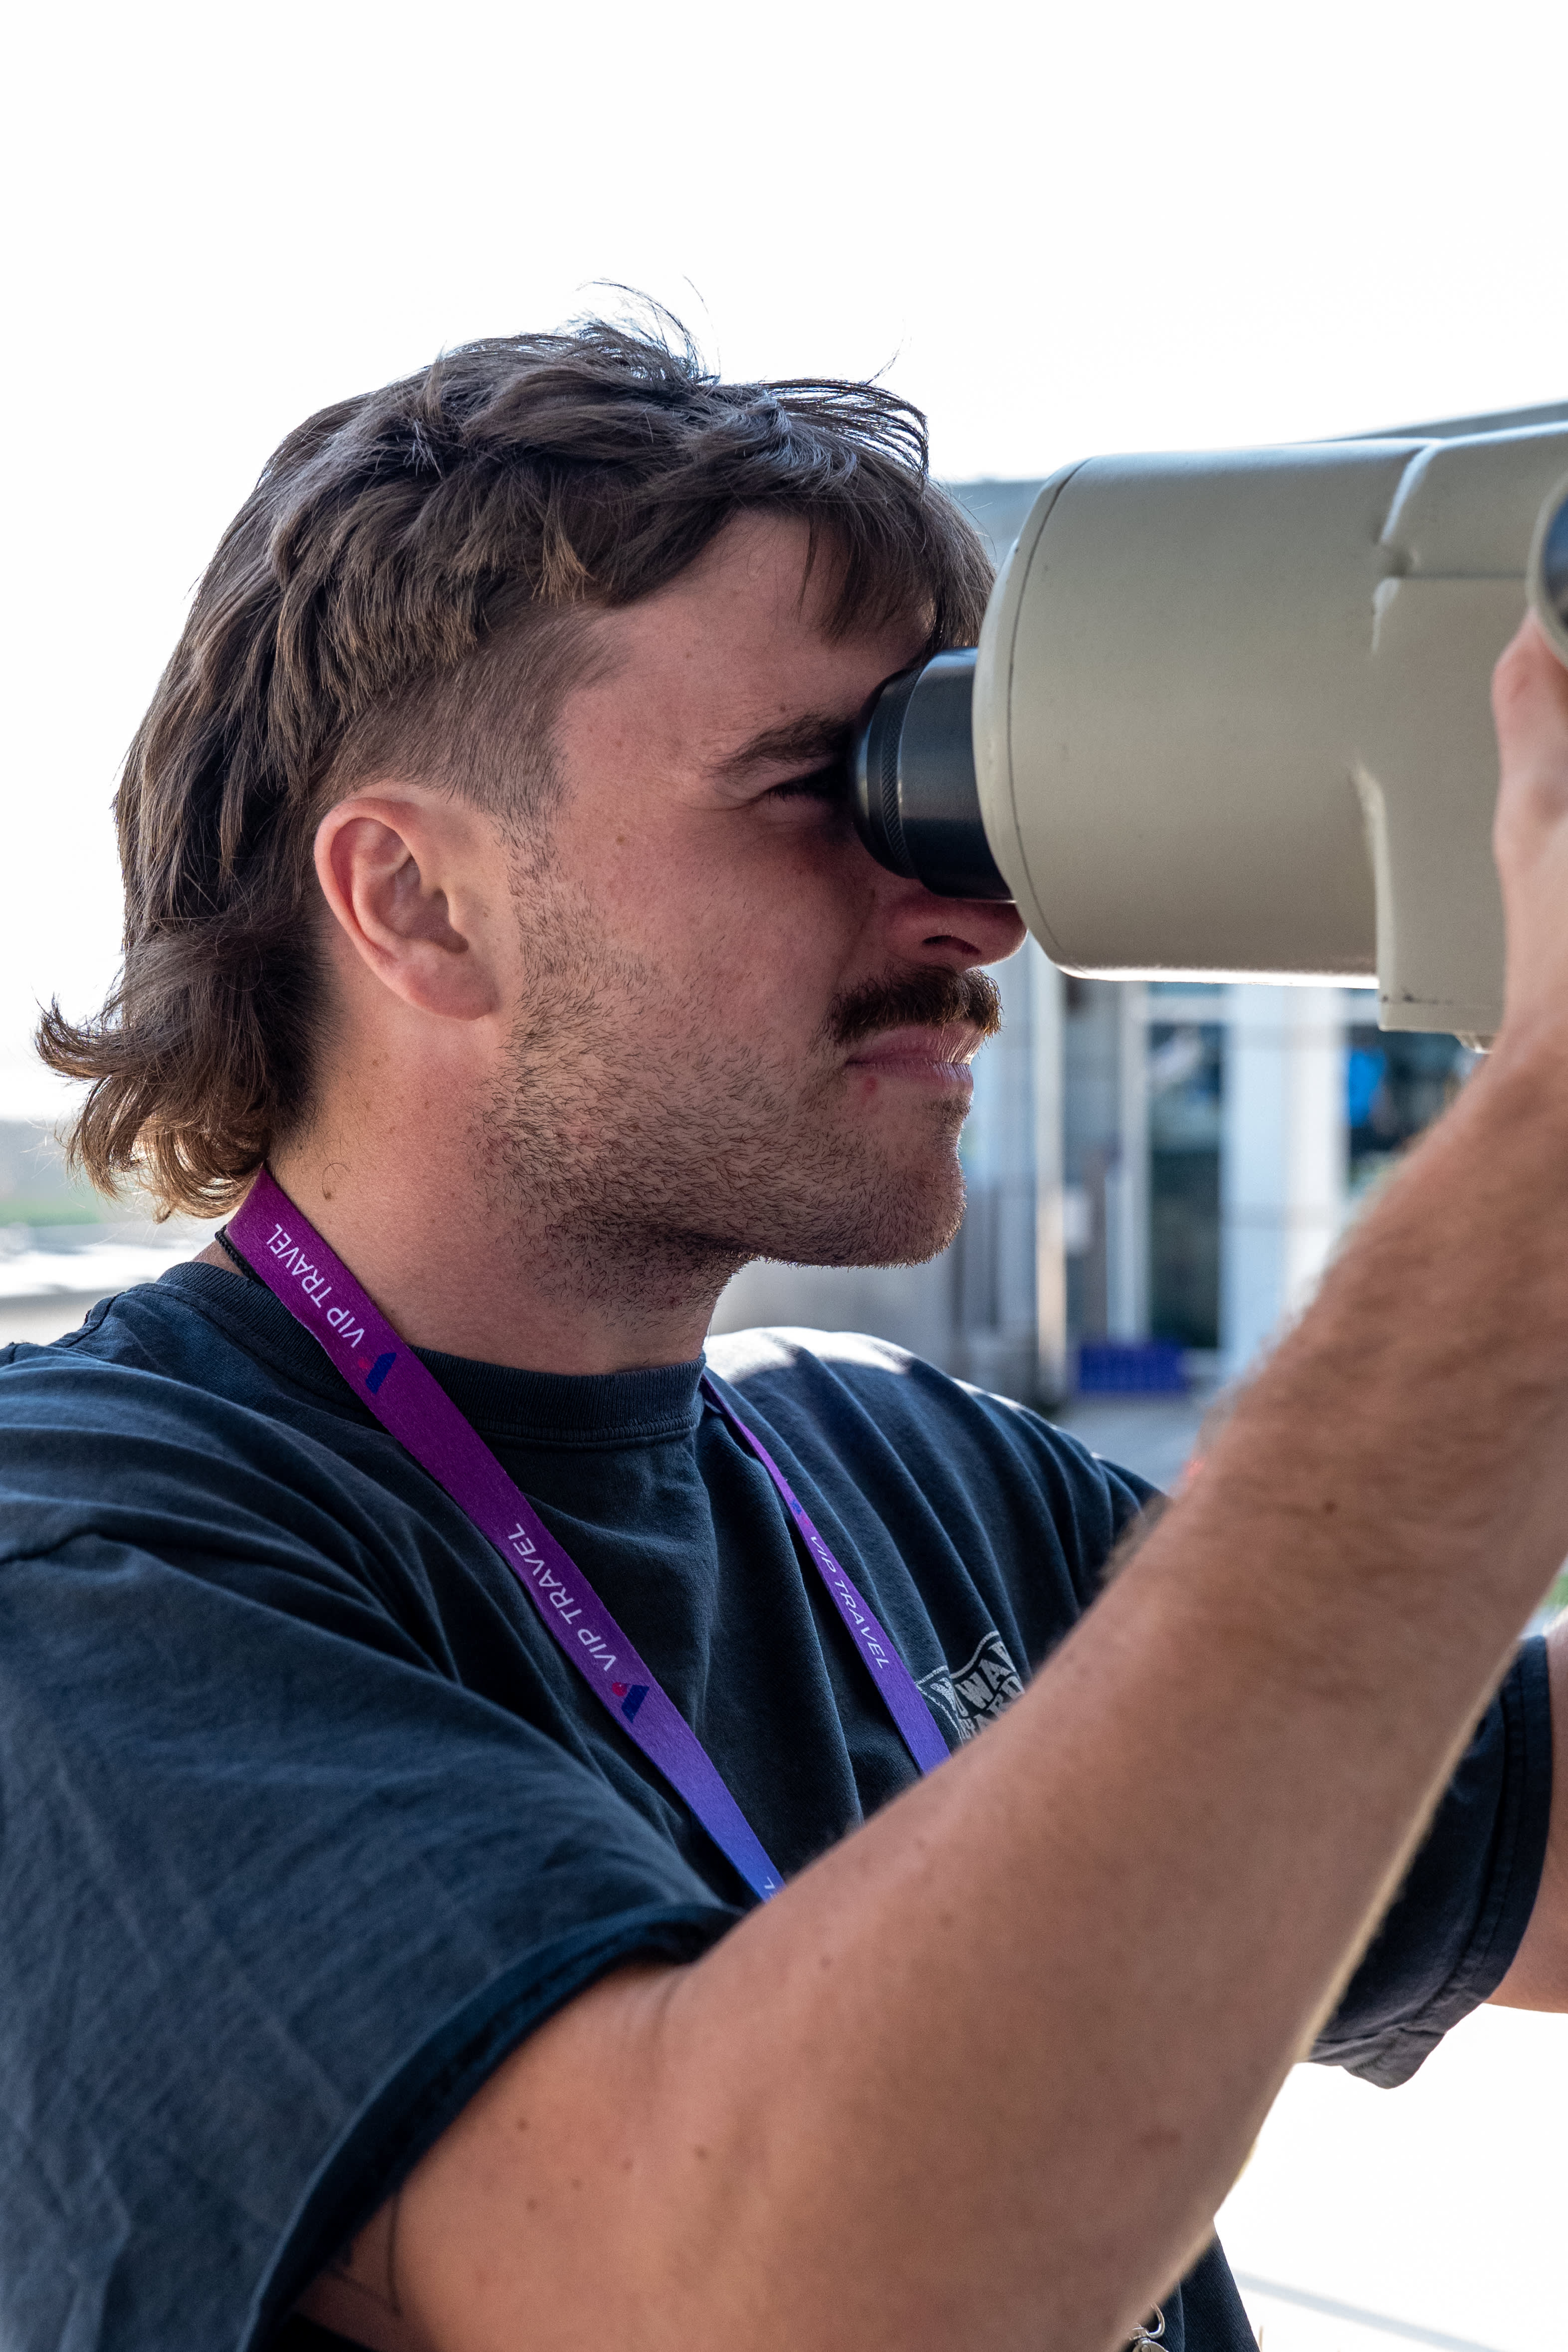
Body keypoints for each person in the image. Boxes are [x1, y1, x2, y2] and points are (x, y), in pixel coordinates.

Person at [3, 317, 1567, 2352]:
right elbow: (759, 2290)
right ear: (419, 905)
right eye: (823, 787)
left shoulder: (905, 1481)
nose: (974, 913)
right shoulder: (89, 1576)